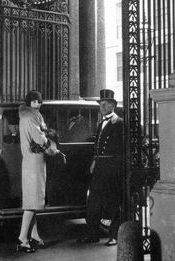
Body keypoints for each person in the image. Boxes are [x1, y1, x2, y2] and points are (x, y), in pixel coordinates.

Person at [79, 89, 123, 247]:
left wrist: (116, 169)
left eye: (105, 104)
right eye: (100, 105)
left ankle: (114, 236)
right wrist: (94, 162)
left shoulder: (119, 123)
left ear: (112, 105)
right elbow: (97, 148)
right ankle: (93, 234)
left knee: (112, 202)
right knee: (93, 202)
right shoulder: (100, 124)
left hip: (112, 169)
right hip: (99, 168)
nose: (102, 107)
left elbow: (121, 150)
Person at [17, 90, 48, 253]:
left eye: (39, 102)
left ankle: (34, 236)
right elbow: (39, 138)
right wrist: (50, 143)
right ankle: (23, 239)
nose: (39, 104)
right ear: (31, 103)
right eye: (37, 102)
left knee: (33, 201)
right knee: (31, 203)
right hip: (34, 162)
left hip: (29, 161)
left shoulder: (25, 116)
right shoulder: (33, 116)